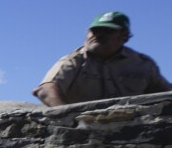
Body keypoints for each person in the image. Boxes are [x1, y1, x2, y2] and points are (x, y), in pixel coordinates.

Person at [34, 11, 170, 107]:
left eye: (107, 31)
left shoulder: (142, 64)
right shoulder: (74, 61)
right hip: (81, 132)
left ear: (124, 35)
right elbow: (46, 90)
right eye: (95, 30)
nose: (98, 35)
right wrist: (70, 120)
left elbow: (166, 94)